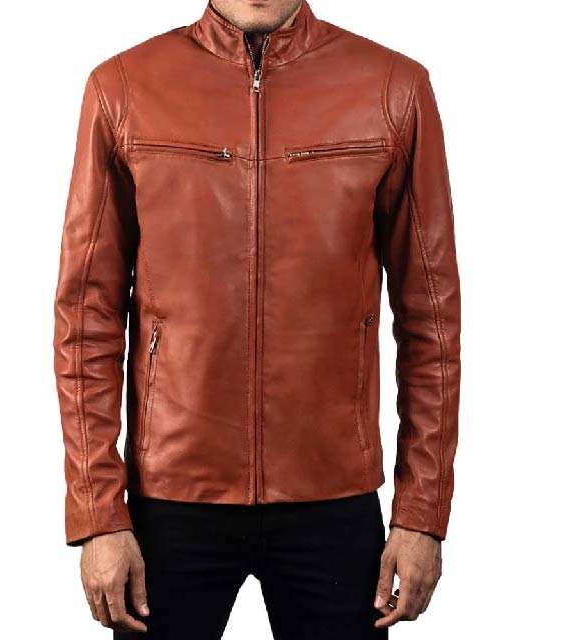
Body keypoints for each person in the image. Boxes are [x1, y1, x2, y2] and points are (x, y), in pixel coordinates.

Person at [53, 1, 461, 638]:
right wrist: (98, 512)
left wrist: (421, 514)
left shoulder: (391, 88)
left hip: (334, 494)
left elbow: (431, 320)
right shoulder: (125, 87)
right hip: (170, 495)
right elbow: (86, 316)